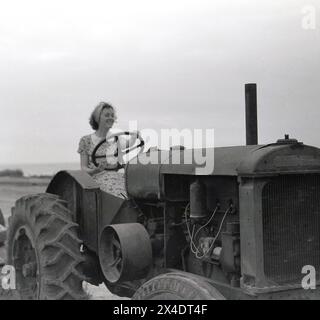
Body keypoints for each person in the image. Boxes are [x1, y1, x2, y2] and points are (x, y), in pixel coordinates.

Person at [78, 101, 139, 197]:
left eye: (112, 115)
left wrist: (134, 137)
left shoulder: (116, 138)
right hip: (96, 178)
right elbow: (84, 168)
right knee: (119, 193)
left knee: (138, 188)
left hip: (117, 176)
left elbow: (128, 144)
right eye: (107, 115)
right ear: (97, 118)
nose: (111, 118)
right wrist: (95, 171)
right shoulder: (85, 140)